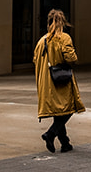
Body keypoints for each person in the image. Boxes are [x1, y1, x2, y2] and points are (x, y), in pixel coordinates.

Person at [33, 8, 84, 153]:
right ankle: (50, 133)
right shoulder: (64, 38)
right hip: (61, 80)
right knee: (69, 108)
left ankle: (65, 143)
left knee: (59, 112)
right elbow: (71, 58)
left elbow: (35, 60)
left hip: (46, 82)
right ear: (63, 22)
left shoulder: (41, 41)